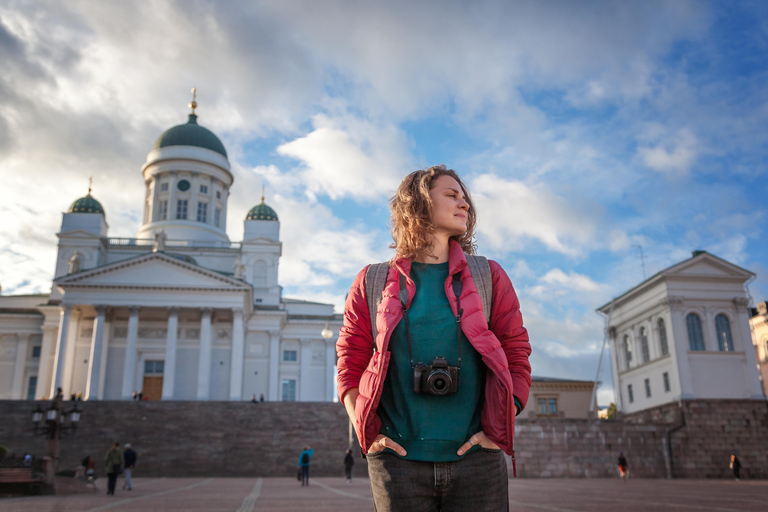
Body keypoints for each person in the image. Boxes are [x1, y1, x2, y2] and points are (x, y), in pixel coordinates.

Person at [336, 165, 532, 511]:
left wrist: (502, 422)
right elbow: (350, 361)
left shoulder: (489, 275)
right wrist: (365, 429)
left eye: (465, 198)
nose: (465, 204)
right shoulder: (372, 281)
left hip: (478, 461)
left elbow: (516, 350)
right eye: (451, 195)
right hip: (397, 463)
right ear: (421, 203)